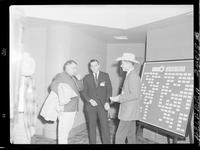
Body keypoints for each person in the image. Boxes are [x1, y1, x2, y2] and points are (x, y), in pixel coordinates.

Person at [40, 60, 83, 144]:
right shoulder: (61, 75)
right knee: (63, 131)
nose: (75, 70)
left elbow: (81, 88)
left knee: (66, 130)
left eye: (76, 68)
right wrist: (63, 94)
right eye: (73, 68)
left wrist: (79, 80)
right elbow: (53, 86)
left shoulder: (73, 78)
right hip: (65, 108)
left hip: (73, 108)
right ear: (67, 67)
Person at [110, 53, 141, 144]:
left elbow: (135, 94)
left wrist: (119, 99)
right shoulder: (130, 74)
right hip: (130, 112)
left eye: (123, 63)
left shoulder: (133, 76)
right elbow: (128, 93)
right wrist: (117, 97)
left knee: (119, 137)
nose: (121, 65)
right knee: (131, 135)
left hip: (128, 112)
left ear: (129, 63)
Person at [82, 59, 112, 144]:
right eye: (92, 66)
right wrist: (90, 100)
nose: (94, 67)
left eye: (95, 65)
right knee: (92, 127)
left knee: (104, 127)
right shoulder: (87, 77)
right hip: (90, 106)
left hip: (102, 106)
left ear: (99, 66)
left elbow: (109, 89)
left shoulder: (105, 76)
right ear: (90, 68)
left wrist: (107, 102)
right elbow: (83, 91)